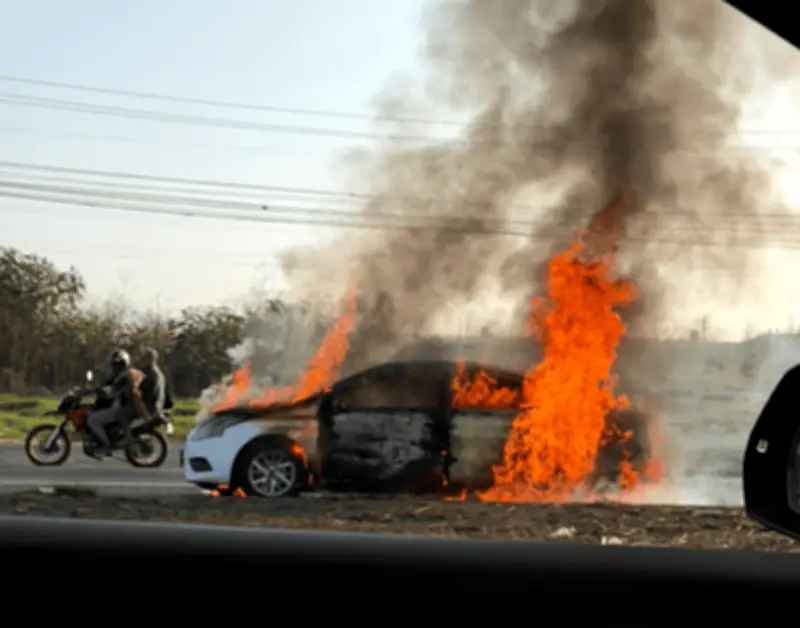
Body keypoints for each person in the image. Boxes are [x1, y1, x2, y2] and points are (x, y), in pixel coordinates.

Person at [85, 348, 148, 456]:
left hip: (127, 406)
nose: (114, 368)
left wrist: (92, 391)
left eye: (115, 365)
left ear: (122, 365)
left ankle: (106, 445)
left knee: (92, 420)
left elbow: (112, 391)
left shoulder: (124, 376)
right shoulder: (133, 372)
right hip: (134, 405)